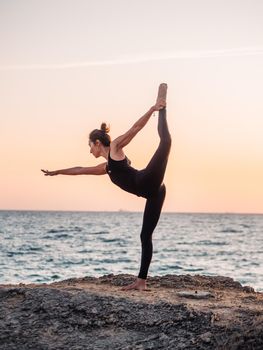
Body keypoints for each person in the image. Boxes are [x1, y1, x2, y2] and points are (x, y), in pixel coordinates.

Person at [42, 85, 171, 291]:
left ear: (96, 143)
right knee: (145, 236)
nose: (89, 150)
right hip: (154, 193)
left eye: (89, 146)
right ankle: (141, 281)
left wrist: (152, 109)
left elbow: (135, 129)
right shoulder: (106, 167)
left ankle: (162, 105)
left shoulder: (116, 148)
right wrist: (57, 171)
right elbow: (80, 170)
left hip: (148, 180)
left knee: (166, 142)